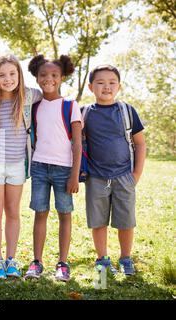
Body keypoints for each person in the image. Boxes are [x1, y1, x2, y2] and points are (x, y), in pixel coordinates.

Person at [0, 54, 41, 279]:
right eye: (2, 75)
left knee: (13, 211)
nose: (7, 79)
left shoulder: (30, 96)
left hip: (17, 163)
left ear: (19, 74)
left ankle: (11, 259)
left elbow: (51, 93)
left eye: (12, 74)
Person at [25, 54, 82, 282]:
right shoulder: (35, 106)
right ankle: (37, 262)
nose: (49, 79)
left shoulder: (70, 106)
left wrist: (74, 175)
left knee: (64, 214)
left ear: (62, 77)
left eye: (54, 75)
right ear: (37, 78)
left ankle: (63, 263)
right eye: (43, 75)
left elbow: (77, 143)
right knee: (40, 213)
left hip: (64, 170)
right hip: (39, 167)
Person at [84, 65, 145, 276]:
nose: (106, 87)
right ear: (91, 87)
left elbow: (140, 143)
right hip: (96, 177)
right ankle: (102, 259)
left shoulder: (127, 111)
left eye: (112, 82)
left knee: (126, 221)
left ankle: (126, 258)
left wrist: (136, 174)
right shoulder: (85, 113)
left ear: (119, 86)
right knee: (98, 220)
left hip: (124, 176)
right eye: (100, 82)